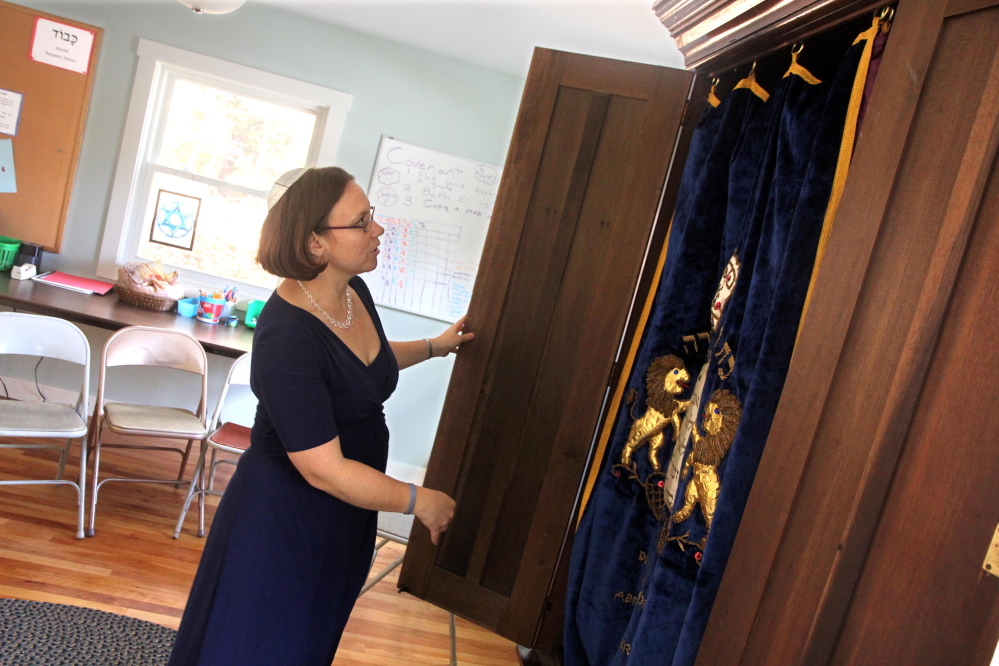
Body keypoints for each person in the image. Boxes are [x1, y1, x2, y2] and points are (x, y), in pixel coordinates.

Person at [168, 166, 471, 665]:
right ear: (316, 244)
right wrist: (419, 500)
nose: (378, 229)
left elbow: (363, 360)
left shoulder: (351, 292)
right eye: (362, 221)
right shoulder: (285, 336)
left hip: (346, 509)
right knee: (264, 646)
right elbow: (322, 469)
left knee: (310, 640)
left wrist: (437, 346)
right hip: (285, 519)